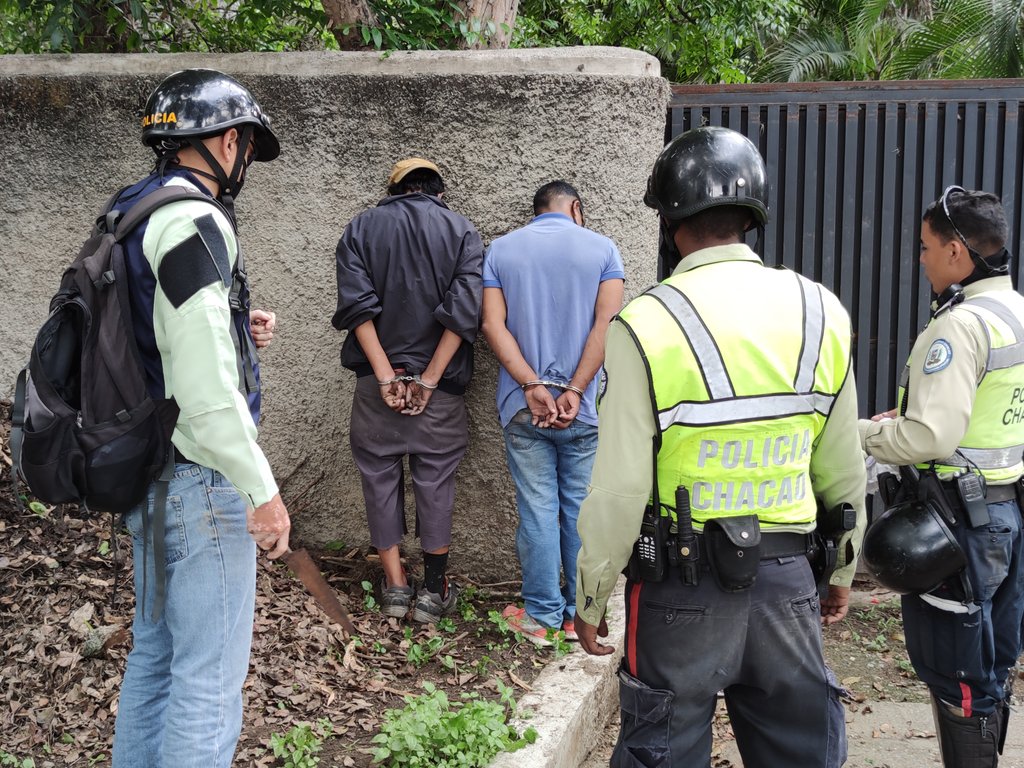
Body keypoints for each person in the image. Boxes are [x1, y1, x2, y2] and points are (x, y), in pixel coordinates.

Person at [574, 126, 867, 767]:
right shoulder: (821, 310)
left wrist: (591, 596)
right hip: (788, 583)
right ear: (751, 215)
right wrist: (842, 566)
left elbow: (620, 486)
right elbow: (843, 465)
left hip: (680, 591)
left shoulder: (644, 323)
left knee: (664, 751)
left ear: (670, 224)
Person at [110, 69, 291, 768]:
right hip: (202, 482)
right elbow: (206, 388)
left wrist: (241, 328)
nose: (246, 157)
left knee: (155, 660)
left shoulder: (138, 211)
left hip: (150, 480)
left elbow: (164, 334)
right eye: (245, 143)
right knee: (209, 681)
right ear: (224, 141)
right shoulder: (193, 218)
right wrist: (260, 490)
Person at [859, 187, 1024, 765]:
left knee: (956, 672)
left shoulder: (960, 326)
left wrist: (863, 434)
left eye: (926, 248)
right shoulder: (1017, 314)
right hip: (1004, 516)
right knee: (993, 662)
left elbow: (931, 439)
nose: (922, 259)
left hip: (956, 526)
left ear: (957, 252)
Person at [332, 158, 483, 624]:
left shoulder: (361, 228)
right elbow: (464, 311)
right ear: (440, 192)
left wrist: (386, 377)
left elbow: (357, 308)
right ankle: (433, 593)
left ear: (394, 190)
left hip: (376, 388)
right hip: (439, 391)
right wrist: (428, 381)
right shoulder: (462, 231)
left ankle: (396, 587)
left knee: (378, 477)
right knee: (435, 481)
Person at [480, 180, 624, 645]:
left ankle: (541, 615)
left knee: (537, 510)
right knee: (581, 512)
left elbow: (491, 324)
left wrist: (532, 386)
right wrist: (577, 390)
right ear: (575, 208)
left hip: (524, 406)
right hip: (582, 410)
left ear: (537, 210)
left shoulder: (500, 251)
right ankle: (579, 614)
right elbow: (608, 325)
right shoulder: (603, 250)